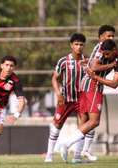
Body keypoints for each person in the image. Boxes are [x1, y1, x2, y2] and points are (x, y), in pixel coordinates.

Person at [59, 25, 116, 162]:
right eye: (108, 36)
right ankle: (66, 144)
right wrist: (112, 65)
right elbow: (95, 67)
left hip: (85, 86)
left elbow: (92, 63)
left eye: (113, 36)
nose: (111, 38)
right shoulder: (102, 47)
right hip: (93, 86)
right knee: (94, 121)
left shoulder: (100, 47)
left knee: (84, 122)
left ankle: (77, 156)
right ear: (101, 36)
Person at [44, 33, 87, 163]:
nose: (79, 47)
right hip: (66, 99)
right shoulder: (63, 61)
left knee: (82, 126)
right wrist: (58, 93)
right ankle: (49, 155)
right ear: (71, 45)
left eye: (81, 44)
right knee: (56, 125)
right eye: (76, 44)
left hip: (81, 99)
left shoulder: (87, 61)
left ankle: (77, 156)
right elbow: (54, 78)